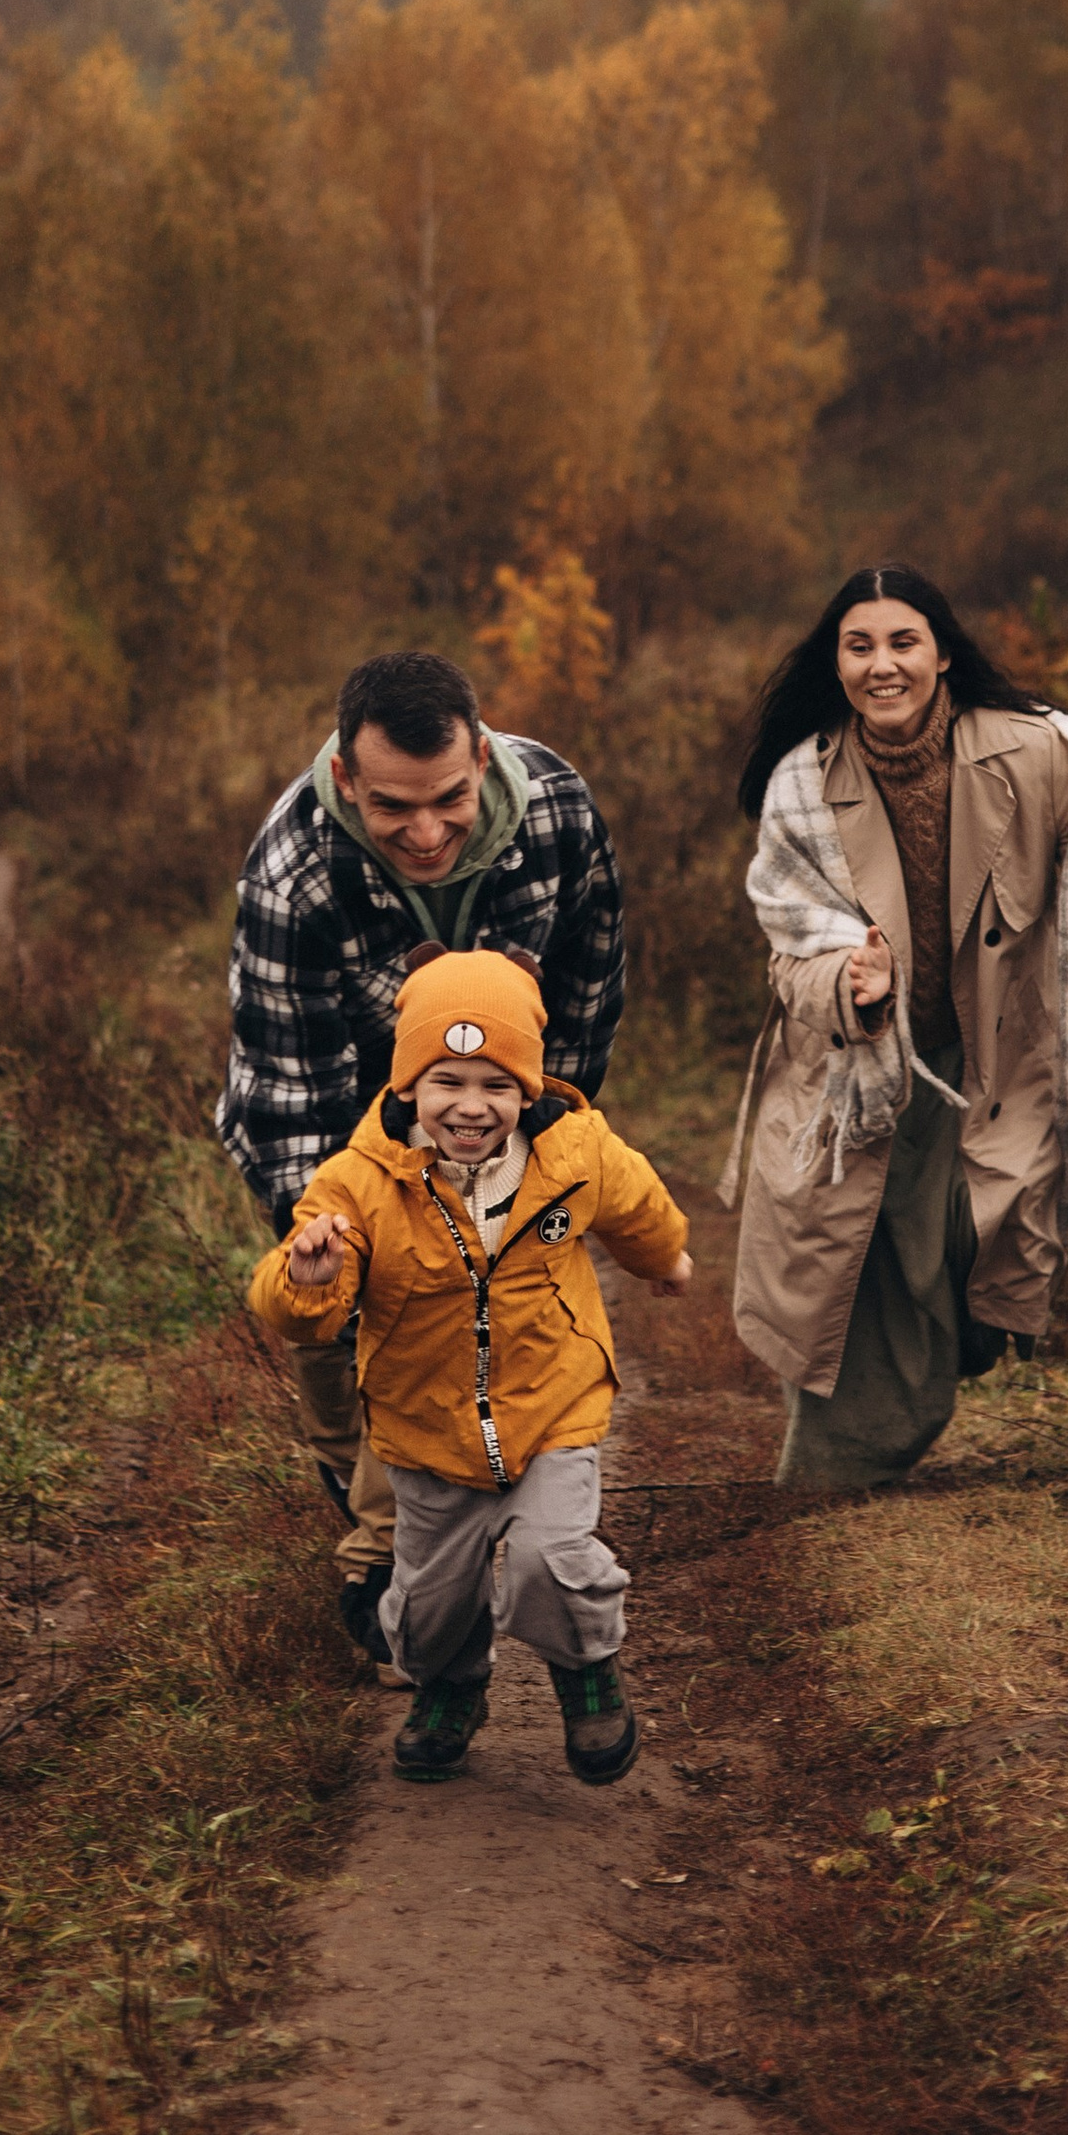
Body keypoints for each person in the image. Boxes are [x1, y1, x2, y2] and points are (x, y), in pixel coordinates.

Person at [722, 563, 1068, 1490]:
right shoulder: (800, 786)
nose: (881, 666)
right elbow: (788, 951)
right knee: (863, 1270)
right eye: (860, 647)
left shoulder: (1037, 750)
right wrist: (845, 981)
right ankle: (831, 1479)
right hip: (859, 1078)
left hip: (1000, 1062)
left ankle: (948, 1353)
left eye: (902, 643)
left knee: (980, 1243)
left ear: (940, 654)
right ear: (836, 661)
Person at [219, 647, 626, 1653]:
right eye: (394, 807)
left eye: (447, 799)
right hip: (337, 1117)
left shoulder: (558, 812)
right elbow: (290, 1088)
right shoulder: (294, 870)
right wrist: (337, 1238)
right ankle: (379, 1517)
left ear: (480, 759)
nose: (427, 830)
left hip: (496, 1106)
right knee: (342, 1332)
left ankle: (409, 1549)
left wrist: (541, 1148)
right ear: (347, 779)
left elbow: (582, 1001)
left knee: (484, 1308)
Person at [249, 947, 691, 1784]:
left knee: (548, 1561)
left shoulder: (574, 1153)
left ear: (527, 1089)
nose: (471, 1106)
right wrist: (307, 1281)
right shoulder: (359, 1182)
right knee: (428, 1605)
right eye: (447, 1081)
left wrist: (666, 1260)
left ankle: (587, 1670)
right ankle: (452, 1686)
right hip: (424, 1427)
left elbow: (638, 1206)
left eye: (496, 1083)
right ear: (408, 1086)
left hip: (552, 1406)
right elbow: (298, 1300)